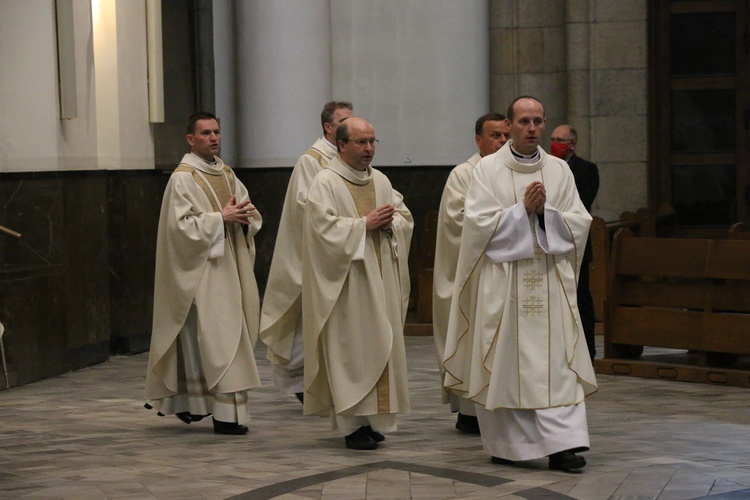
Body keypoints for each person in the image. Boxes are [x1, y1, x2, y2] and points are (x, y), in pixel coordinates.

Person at [442, 96, 598, 472]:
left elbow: (580, 221)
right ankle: (510, 444)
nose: (532, 128)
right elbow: (476, 225)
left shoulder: (560, 171)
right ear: (509, 126)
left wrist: (547, 213)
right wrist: (519, 212)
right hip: (505, 285)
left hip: (549, 281)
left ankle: (563, 445)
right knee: (507, 361)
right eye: (524, 121)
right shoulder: (487, 170)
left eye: (538, 121)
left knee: (557, 364)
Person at [144, 111, 263, 435]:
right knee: (220, 341)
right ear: (190, 139)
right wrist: (218, 219)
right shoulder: (183, 178)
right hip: (203, 272)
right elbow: (179, 229)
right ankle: (224, 416)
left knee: (229, 339)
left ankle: (196, 406)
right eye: (206, 133)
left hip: (230, 266)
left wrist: (245, 217)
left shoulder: (226, 173)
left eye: (217, 132)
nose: (214, 138)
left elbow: (246, 209)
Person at [301, 117, 413, 451]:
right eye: (361, 143)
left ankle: (373, 420)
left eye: (373, 142)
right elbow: (320, 232)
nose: (369, 149)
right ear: (341, 145)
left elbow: (403, 218)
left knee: (382, 345)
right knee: (351, 350)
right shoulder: (325, 182)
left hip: (381, 280)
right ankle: (352, 424)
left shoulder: (380, 180)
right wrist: (363, 225)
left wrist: (393, 225)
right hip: (347, 284)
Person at [260, 101, 353, 403]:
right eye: (343, 120)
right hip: (312, 253)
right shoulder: (312, 160)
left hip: (341, 248)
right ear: (328, 127)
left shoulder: (349, 158)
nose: (348, 125)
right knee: (304, 319)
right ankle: (302, 383)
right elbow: (306, 204)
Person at [433, 113, 510, 435]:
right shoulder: (464, 174)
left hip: (505, 273)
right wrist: (509, 219)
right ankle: (469, 411)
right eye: (495, 136)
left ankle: (503, 403)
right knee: (471, 340)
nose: (502, 142)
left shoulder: (512, 172)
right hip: (473, 276)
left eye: (506, 135)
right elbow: (458, 220)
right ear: (478, 140)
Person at [550, 124, 600, 362]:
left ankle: (587, 353)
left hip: (574, 241)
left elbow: (581, 203)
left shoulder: (587, 169)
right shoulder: (548, 168)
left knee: (580, 298)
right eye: (552, 138)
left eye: (560, 140)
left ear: (572, 144)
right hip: (548, 240)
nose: (554, 143)